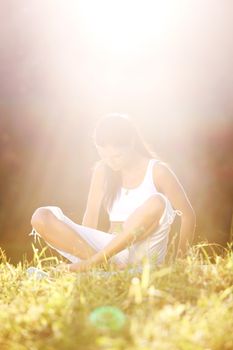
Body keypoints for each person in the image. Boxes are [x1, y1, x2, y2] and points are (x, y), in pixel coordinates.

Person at [29, 113, 196, 273]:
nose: (110, 161)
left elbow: (188, 215)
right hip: (110, 251)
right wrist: (83, 249)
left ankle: (93, 264)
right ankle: (103, 266)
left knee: (158, 201)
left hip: (145, 250)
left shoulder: (158, 171)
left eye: (117, 156)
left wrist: (180, 261)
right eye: (104, 155)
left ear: (131, 143)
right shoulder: (102, 170)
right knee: (41, 216)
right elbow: (91, 214)